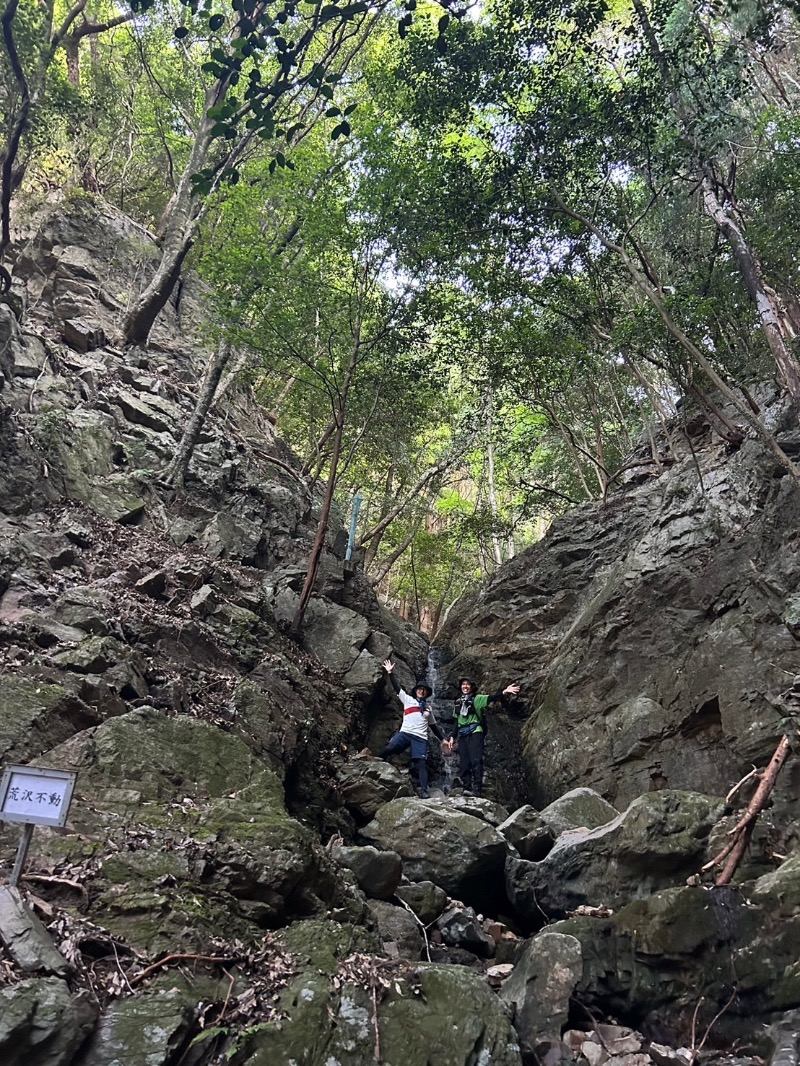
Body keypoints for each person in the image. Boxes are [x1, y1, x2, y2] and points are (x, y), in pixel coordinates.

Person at [378, 658, 445, 799]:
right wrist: (390, 673)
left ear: (426, 693)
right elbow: (397, 688)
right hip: (406, 733)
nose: (422, 691)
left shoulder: (428, 708)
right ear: (416, 691)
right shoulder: (408, 700)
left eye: (424, 690)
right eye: (420, 689)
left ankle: (425, 791)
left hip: (420, 738)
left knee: (421, 763)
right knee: (390, 748)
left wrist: (443, 740)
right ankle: (376, 762)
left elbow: (433, 726)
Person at [447, 675, 521, 797]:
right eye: (463, 684)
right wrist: (452, 737)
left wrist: (505, 692)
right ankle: (466, 787)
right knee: (464, 762)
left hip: (475, 731)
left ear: (471, 687)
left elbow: (493, 698)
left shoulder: (478, 699)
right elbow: (456, 721)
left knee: (476, 760)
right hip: (463, 735)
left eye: (467, 684)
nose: (465, 686)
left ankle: (477, 789)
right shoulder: (458, 703)